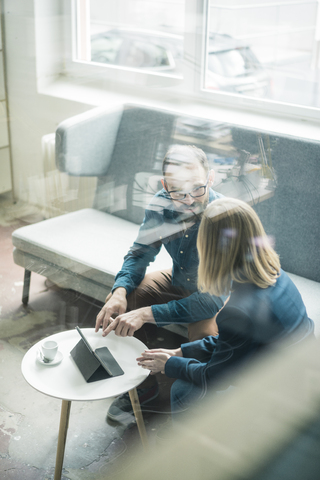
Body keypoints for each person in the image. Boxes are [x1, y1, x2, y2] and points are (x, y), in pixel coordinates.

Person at [137, 197, 315, 418]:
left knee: (182, 390)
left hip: (279, 389)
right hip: (300, 366)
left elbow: (213, 377)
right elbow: (232, 342)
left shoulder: (237, 310)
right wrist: (181, 351)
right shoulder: (274, 272)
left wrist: (170, 364)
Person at [95, 145, 226, 422]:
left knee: (204, 339)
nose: (189, 200)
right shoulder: (159, 204)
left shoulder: (223, 216)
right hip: (178, 278)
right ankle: (143, 386)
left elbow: (210, 299)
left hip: (216, 295)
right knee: (129, 296)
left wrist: (146, 314)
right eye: (178, 192)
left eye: (198, 189)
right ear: (165, 185)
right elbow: (140, 253)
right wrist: (119, 291)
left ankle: (197, 406)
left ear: (211, 179)